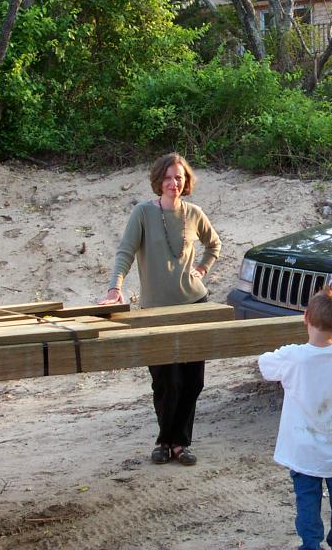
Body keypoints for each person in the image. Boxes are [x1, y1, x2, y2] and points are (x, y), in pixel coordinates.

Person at [98, 152, 221, 466]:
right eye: (168, 177)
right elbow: (125, 252)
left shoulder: (194, 213)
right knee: (166, 380)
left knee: (193, 381)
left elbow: (214, 245)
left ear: (186, 181)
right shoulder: (143, 213)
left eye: (179, 177)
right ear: (158, 180)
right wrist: (115, 288)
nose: (173, 183)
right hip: (155, 310)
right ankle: (164, 441)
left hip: (194, 305)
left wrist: (202, 269)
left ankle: (180, 443)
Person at [258, 287, 332, 550]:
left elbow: (264, 364)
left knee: (306, 499)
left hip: (304, 451)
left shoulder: (294, 356)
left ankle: (311, 544)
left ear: (305, 317)